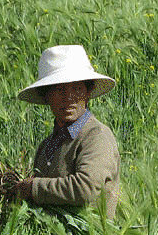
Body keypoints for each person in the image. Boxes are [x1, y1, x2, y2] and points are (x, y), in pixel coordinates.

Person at [11, 45, 120, 219]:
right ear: (46, 96)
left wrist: (33, 188)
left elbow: (85, 188)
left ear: (88, 92)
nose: (68, 98)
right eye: (59, 90)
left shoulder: (96, 136)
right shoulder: (47, 145)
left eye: (76, 89)